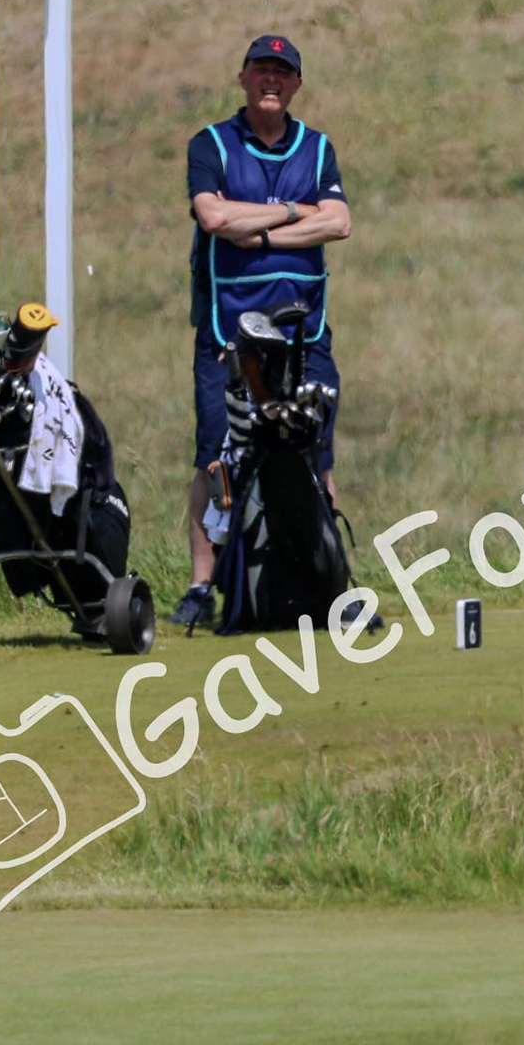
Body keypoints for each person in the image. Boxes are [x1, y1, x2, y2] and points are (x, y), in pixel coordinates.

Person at [167, 35, 354, 630]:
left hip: (303, 333)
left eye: (283, 72)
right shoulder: (212, 144)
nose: (271, 80)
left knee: (316, 457)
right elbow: (214, 217)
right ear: (242, 78)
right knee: (217, 458)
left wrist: (267, 230)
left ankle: (328, 580)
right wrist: (300, 212)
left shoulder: (317, 148)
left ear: (297, 84)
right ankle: (203, 585)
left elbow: (340, 223)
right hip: (229, 331)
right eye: (261, 70)